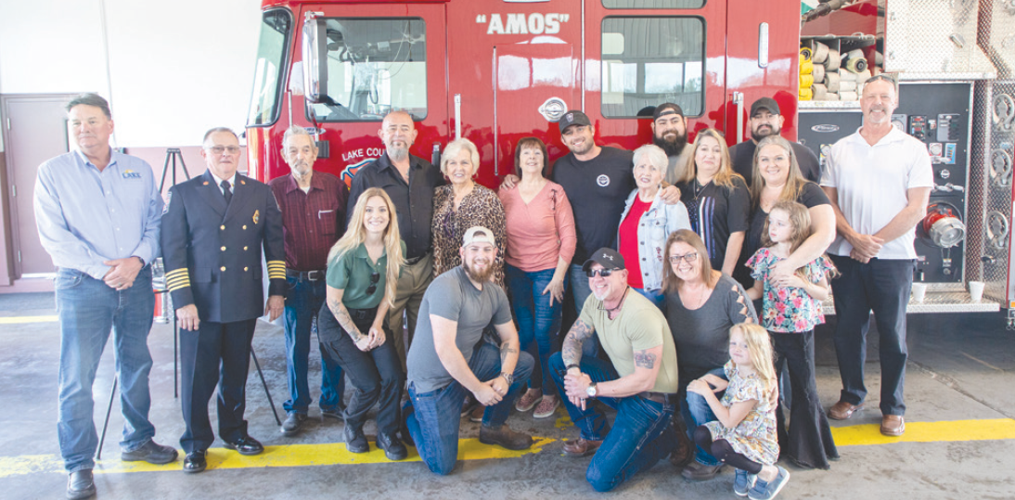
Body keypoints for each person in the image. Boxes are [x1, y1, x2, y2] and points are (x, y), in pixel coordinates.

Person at [33, 93, 175, 499]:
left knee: (137, 363)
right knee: (77, 378)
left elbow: (155, 222)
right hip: (83, 286)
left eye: (92, 121)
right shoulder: (52, 172)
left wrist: (135, 261)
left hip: (136, 281)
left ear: (110, 125)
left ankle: (137, 440)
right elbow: (54, 237)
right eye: (76, 122)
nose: (84, 129)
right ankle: (78, 463)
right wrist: (104, 270)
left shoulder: (138, 169)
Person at [502, 110, 680, 356]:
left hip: (619, 263)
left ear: (592, 130)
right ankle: (591, 385)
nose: (576, 136)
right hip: (580, 265)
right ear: (563, 141)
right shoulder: (561, 168)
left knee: (625, 325)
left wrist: (669, 188)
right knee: (589, 326)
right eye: (569, 133)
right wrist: (512, 179)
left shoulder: (620, 159)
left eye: (580, 129)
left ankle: (624, 382)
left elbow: (648, 175)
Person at [161, 127, 286, 473]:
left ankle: (234, 432)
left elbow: (275, 246)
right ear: (204, 154)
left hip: (243, 297)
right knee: (198, 378)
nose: (226, 154)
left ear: (240, 152)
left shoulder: (259, 192)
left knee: (235, 373)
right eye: (218, 149)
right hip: (199, 304)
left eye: (232, 148)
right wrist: (182, 299)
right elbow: (172, 253)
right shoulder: (183, 193)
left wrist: (277, 290)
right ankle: (196, 442)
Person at [820, 74, 933, 437]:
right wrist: (853, 237)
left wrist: (874, 242)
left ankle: (893, 407)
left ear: (895, 103)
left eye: (885, 96)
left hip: (894, 258)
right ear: (861, 101)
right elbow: (827, 202)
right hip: (846, 255)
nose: (878, 102)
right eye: (872, 96)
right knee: (848, 332)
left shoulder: (913, 149)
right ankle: (852, 395)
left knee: (892, 335)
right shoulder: (840, 148)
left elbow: (916, 208)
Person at [404, 227, 536, 475]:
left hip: (466, 363)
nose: (481, 255)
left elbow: (510, 338)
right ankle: (411, 412)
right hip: (433, 381)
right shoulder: (447, 287)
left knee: (522, 364)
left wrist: (505, 377)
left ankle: (493, 428)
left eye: (487, 249)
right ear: (462, 252)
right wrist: (478, 389)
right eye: (474, 249)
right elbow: (445, 349)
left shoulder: (495, 292)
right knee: (441, 465)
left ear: (496, 253)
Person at [550, 247, 680, 492]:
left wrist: (589, 389)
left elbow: (645, 380)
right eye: (592, 273)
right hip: (624, 386)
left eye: (606, 272)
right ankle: (594, 434)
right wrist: (575, 372)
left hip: (651, 401)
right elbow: (572, 340)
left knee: (600, 479)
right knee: (559, 363)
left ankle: (666, 441)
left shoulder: (641, 314)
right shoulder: (595, 301)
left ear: (624, 276)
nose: (597, 279)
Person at [745, 201, 839, 470]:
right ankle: (773, 444)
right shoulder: (764, 256)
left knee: (804, 388)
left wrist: (801, 282)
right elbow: (758, 291)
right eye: (770, 222)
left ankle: (807, 449)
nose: (772, 228)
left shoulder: (811, 257)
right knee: (769, 388)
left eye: (780, 223)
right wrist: (734, 295)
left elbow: (823, 293)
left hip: (800, 333)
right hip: (771, 333)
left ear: (796, 226)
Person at [347, 110, 445, 366]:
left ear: (413, 135)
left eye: (404, 128)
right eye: (392, 128)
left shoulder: (429, 172)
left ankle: (418, 387)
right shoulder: (367, 176)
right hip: (389, 269)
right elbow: (353, 229)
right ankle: (397, 388)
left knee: (424, 333)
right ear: (381, 135)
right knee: (389, 337)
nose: (398, 134)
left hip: (424, 267)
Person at [268, 125, 347, 436]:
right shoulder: (272, 191)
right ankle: (298, 407)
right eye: (293, 151)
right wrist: (274, 289)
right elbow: (269, 244)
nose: (299, 156)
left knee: (333, 345)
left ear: (315, 154)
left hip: (331, 283)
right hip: (294, 284)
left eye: (305, 150)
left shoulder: (335, 187)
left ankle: (332, 402)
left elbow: (347, 235)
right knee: (295, 348)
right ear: (285, 156)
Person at [318, 188, 407, 460]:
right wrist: (357, 337)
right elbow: (334, 302)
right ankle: (352, 424)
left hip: (372, 318)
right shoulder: (344, 251)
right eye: (369, 210)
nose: (376, 215)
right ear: (359, 215)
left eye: (382, 210)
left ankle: (387, 432)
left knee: (394, 376)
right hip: (339, 322)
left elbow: (388, 292)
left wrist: (378, 325)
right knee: (369, 385)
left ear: (390, 215)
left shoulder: (396, 247)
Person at [663, 229, 757, 480]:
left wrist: (735, 378)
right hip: (686, 370)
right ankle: (697, 443)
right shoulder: (671, 290)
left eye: (689, 256)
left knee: (696, 394)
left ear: (702, 254)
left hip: (723, 371)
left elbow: (755, 340)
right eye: (675, 258)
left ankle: (711, 457)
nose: (683, 264)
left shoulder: (728, 290)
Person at [499, 137, 577, 419]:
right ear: (518, 161)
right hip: (516, 271)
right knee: (527, 333)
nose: (531, 157)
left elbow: (568, 237)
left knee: (545, 335)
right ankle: (532, 388)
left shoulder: (556, 192)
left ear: (544, 160)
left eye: (537, 153)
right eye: (525, 153)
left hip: (548, 271)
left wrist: (558, 277)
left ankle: (550, 393)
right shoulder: (506, 192)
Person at [689, 323, 789, 500]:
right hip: (738, 432)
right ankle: (744, 467)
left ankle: (768, 472)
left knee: (720, 448)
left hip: (754, 439)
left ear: (759, 350)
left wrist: (705, 391)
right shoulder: (737, 364)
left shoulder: (754, 385)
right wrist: (721, 382)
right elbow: (734, 383)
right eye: (733, 343)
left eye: (745, 345)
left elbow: (728, 421)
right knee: (701, 435)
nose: (737, 349)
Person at [733, 135, 836, 289]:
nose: (771, 165)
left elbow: (826, 234)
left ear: (790, 160)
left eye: (778, 158)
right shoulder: (750, 195)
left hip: (793, 295)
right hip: (756, 291)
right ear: (757, 163)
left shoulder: (809, 192)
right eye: (765, 159)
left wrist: (788, 266)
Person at [617, 144, 691, 307]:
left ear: (662, 174)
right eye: (641, 166)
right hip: (626, 287)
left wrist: (677, 284)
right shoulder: (631, 198)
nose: (646, 173)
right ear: (634, 170)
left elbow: (686, 251)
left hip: (655, 290)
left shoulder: (672, 206)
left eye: (653, 168)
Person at [431, 138, 507, 285]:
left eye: (464, 163)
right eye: (452, 163)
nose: (458, 168)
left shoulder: (488, 198)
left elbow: (499, 244)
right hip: (444, 280)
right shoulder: (437, 196)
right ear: (446, 168)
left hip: (478, 279)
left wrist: (489, 278)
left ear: (473, 167)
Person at [677, 128, 751, 276]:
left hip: (721, 271)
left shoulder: (733, 185)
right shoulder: (682, 188)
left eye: (716, 150)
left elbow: (737, 234)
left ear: (723, 156)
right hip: (689, 272)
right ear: (695, 154)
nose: (710, 155)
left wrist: (725, 276)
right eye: (704, 149)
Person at [728, 97, 821, 186]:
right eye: (758, 117)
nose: (764, 121)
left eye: (770, 116)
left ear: (780, 121)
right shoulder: (732, 156)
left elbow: (816, 192)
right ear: (749, 123)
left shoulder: (804, 155)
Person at [651, 103, 694, 185]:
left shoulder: (698, 154)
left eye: (675, 121)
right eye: (662, 123)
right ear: (653, 128)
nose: (669, 127)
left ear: (685, 122)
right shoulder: (644, 157)